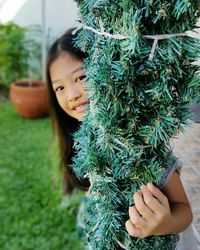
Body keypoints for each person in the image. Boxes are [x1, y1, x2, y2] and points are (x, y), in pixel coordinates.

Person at [46, 28, 198, 249]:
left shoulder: (139, 143)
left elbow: (183, 210)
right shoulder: (82, 144)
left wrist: (164, 223)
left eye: (81, 77)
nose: (72, 95)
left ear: (109, 73)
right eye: (59, 87)